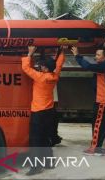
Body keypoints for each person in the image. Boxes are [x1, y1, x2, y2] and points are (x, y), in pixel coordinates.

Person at [22, 46, 65, 175]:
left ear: (45, 68)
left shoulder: (41, 77)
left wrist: (29, 53)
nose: (39, 67)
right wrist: (61, 52)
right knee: (46, 138)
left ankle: (36, 167)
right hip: (49, 112)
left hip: (39, 113)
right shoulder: (54, 75)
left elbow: (25, 68)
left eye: (41, 66)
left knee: (36, 140)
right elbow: (59, 64)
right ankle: (49, 162)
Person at [71, 46, 105, 155]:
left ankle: (95, 149)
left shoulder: (104, 66)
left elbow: (87, 66)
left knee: (98, 123)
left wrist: (77, 56)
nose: (96, 57)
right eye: (96, 54)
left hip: (103, 100)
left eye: (98, 55)